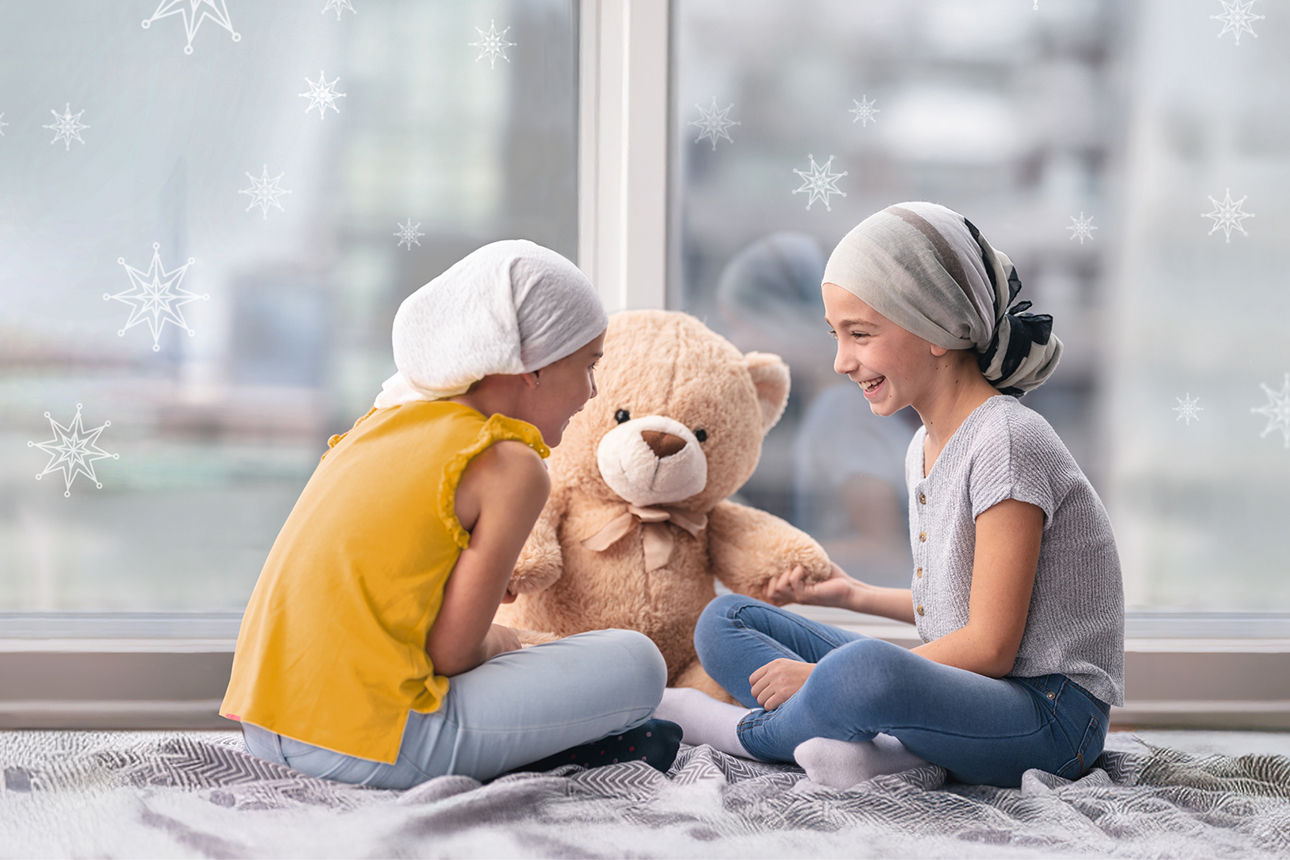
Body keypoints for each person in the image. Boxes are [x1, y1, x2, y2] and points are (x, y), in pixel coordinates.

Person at [655, 202, 1124, 789]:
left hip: (1051, 718)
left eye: (860, 334)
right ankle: (883, 750)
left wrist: (816, 679)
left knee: (862, 671)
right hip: (976, 693)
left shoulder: (1007, 440)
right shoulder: (925, 445)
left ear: (938, 328)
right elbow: (956, 606)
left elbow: (992, 647)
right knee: (727, 618)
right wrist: (851, 594)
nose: (841, 361)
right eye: (835, 335)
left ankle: (741, 734)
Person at [221, 240, 675, 789]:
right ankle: (564, 751)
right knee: (639, 663)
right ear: (532, 366)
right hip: (369, 745)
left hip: (265, 727)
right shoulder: (509, 464)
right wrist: (508, 640)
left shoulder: (383, 423)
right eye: (588, 365)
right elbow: (452, 654)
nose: (591, 391)